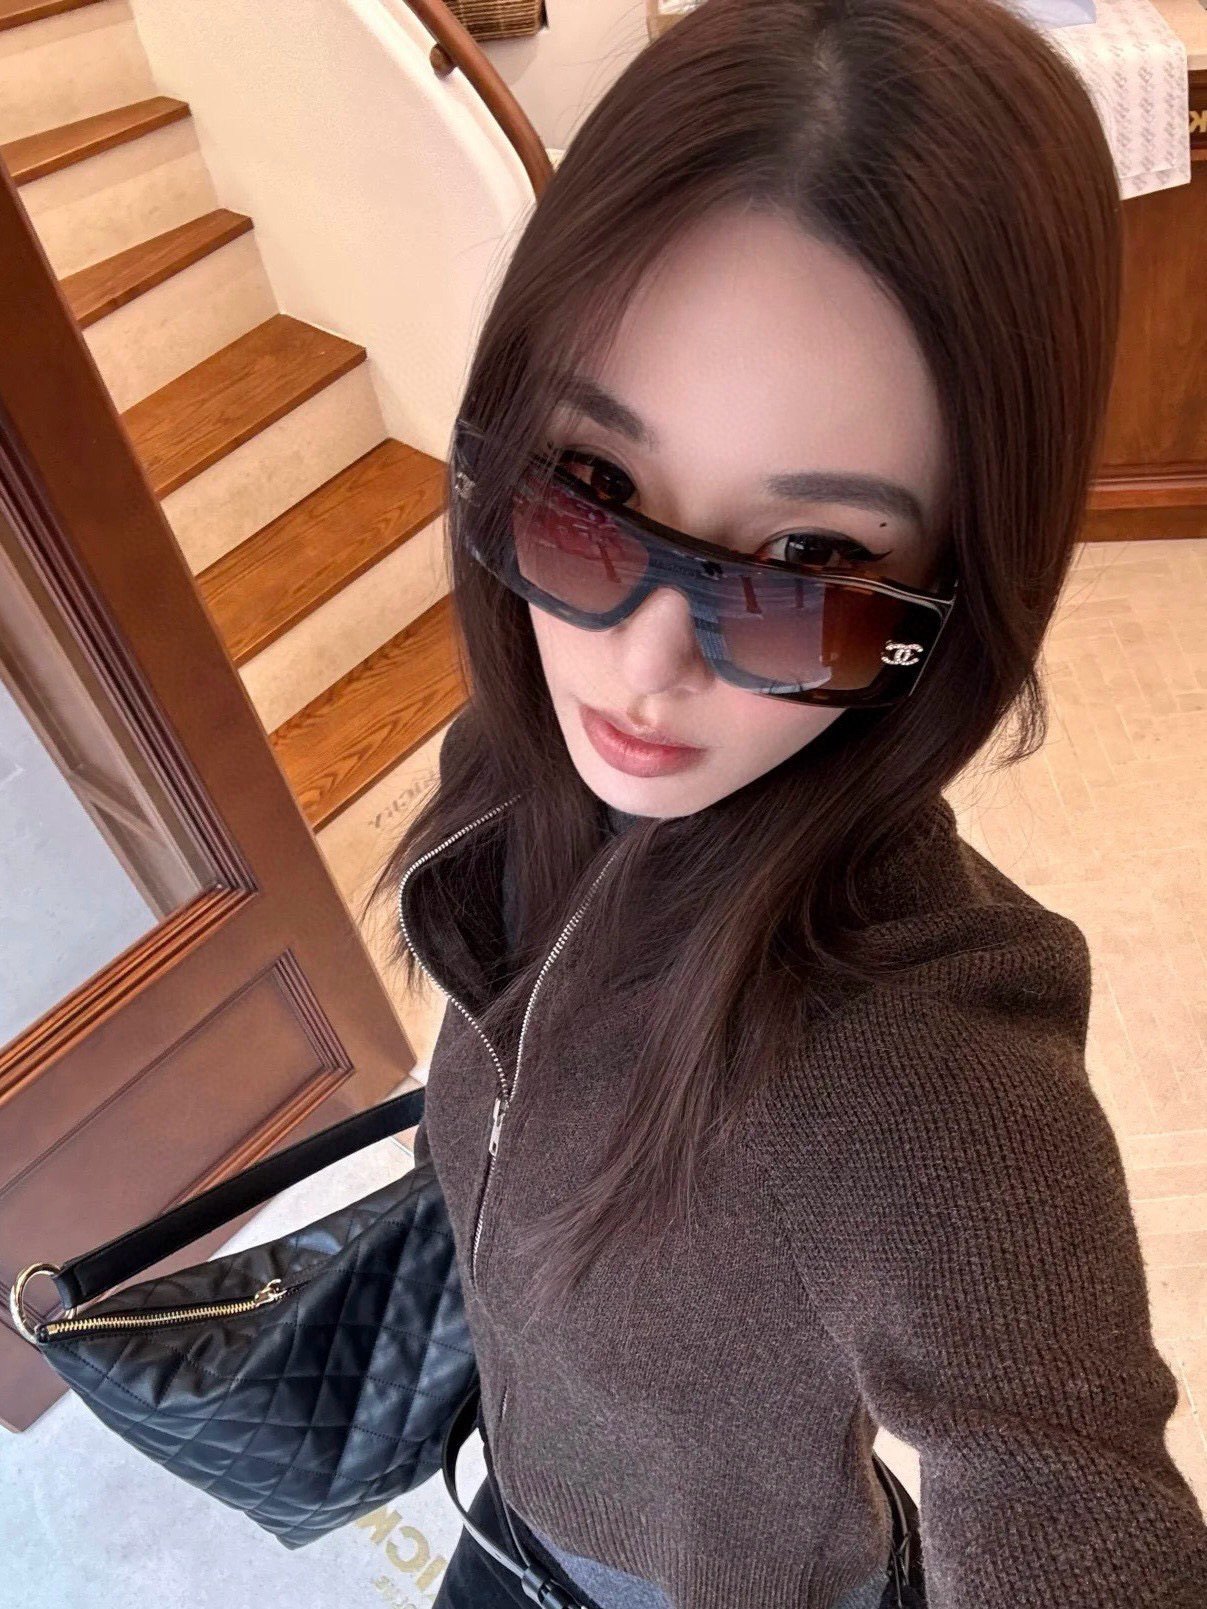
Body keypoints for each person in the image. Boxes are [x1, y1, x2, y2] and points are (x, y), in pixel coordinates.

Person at [366, 0, 1207, 1603]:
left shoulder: (923, 1066)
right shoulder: (523, 762)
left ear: (960, 585)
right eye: (592, 488)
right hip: (500, 1510)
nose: (643, 664)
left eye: (808, 564)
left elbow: (1074, 1495)